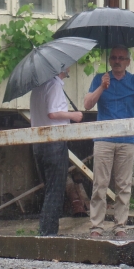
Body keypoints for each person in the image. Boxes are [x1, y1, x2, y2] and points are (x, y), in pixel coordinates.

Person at [84, 46, 134, 238]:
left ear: (128, 62)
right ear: (110, 60)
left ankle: (120, 226)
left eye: (121, 58)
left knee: (123, 185)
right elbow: (87, 104)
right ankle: (96, 227)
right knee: (100, 184)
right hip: (104, 139)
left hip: (127, 139)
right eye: (114, 58)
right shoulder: (100, 78)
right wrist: (102, 87)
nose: (117, 61)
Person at [29, 67, 83, 236]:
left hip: (38, 143)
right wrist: (74, 116)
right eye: (66, 65)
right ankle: (48, 233)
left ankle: (46, 230)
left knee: (50, 189)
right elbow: (53, 113)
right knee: (55, 190)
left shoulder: (38, 87)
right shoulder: (54, 85)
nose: (69, 67)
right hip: (54, 142)